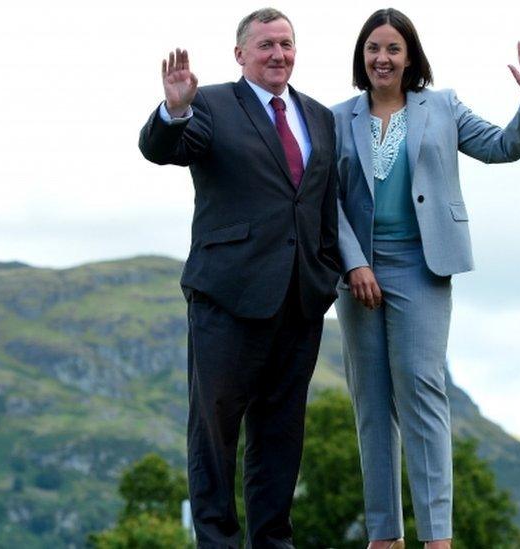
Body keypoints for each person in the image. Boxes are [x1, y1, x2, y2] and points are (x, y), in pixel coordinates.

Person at [332, 8, 520, 549]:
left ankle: (437, 538)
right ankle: (384, 536)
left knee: (422, 390)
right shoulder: (336, 117)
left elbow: (503, 147)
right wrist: (354, 262)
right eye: (373, 49)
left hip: (422, 264)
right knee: (371, 402)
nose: (382, 59)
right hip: (357, 268)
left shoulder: (443, 106)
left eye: (393, 49)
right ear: (362, 57)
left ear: (411, 57)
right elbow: (325, 199)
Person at [138, 8, 341, 548]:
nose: (279, 54)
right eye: (266, 45)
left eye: (287, 44)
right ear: (240, 54)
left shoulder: (321, 117)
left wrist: (328, 273)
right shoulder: (210, 104)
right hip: (226, 299)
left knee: (280, 435)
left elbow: (323, 203)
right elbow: (160, 148)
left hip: (299, 302)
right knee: (215, 433)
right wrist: (174, 110)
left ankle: (273, 542)